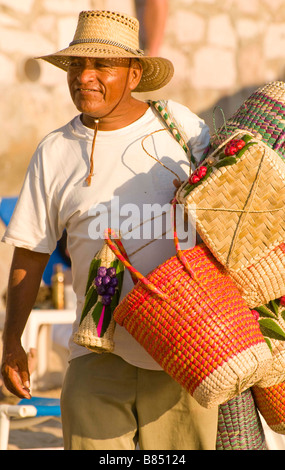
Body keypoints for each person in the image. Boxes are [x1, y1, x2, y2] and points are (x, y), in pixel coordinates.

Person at [1, 10, 218, 450]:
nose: (85, 77)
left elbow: (230, 216)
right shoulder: (55, 151)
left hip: (184, 352)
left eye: (102, 65)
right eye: (77, 65)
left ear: (135, 74)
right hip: (96, 351)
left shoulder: (183, 132)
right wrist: (11, 342)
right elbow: (30, 250)